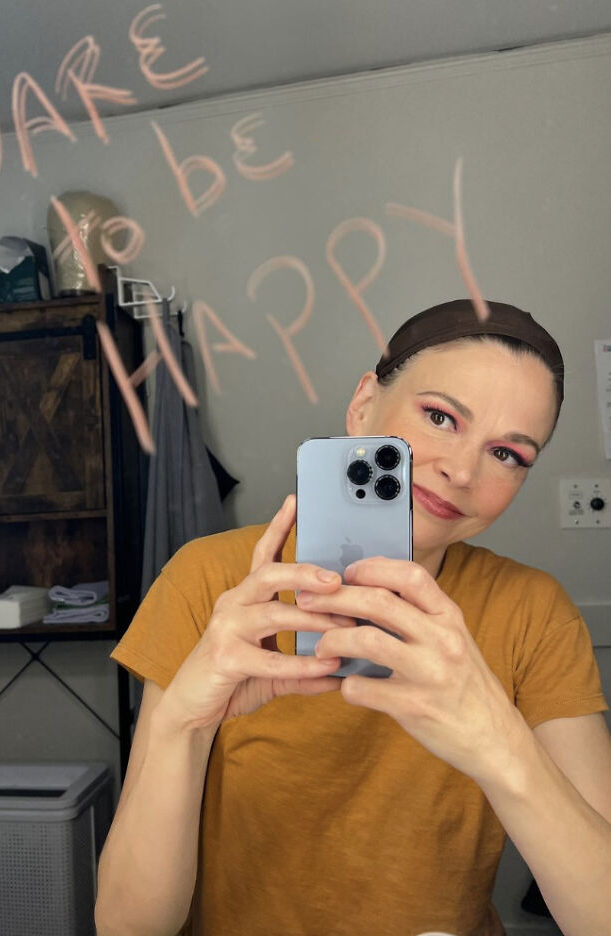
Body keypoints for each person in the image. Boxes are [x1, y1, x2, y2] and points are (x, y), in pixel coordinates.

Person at [95, 299, 611, 936]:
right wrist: (184, 727)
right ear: (365, 402)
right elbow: (128, 926)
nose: (462, 470)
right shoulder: (212, 582)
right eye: (441, 416)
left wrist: (500, 743)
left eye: (508, 454)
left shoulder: (531, 611)